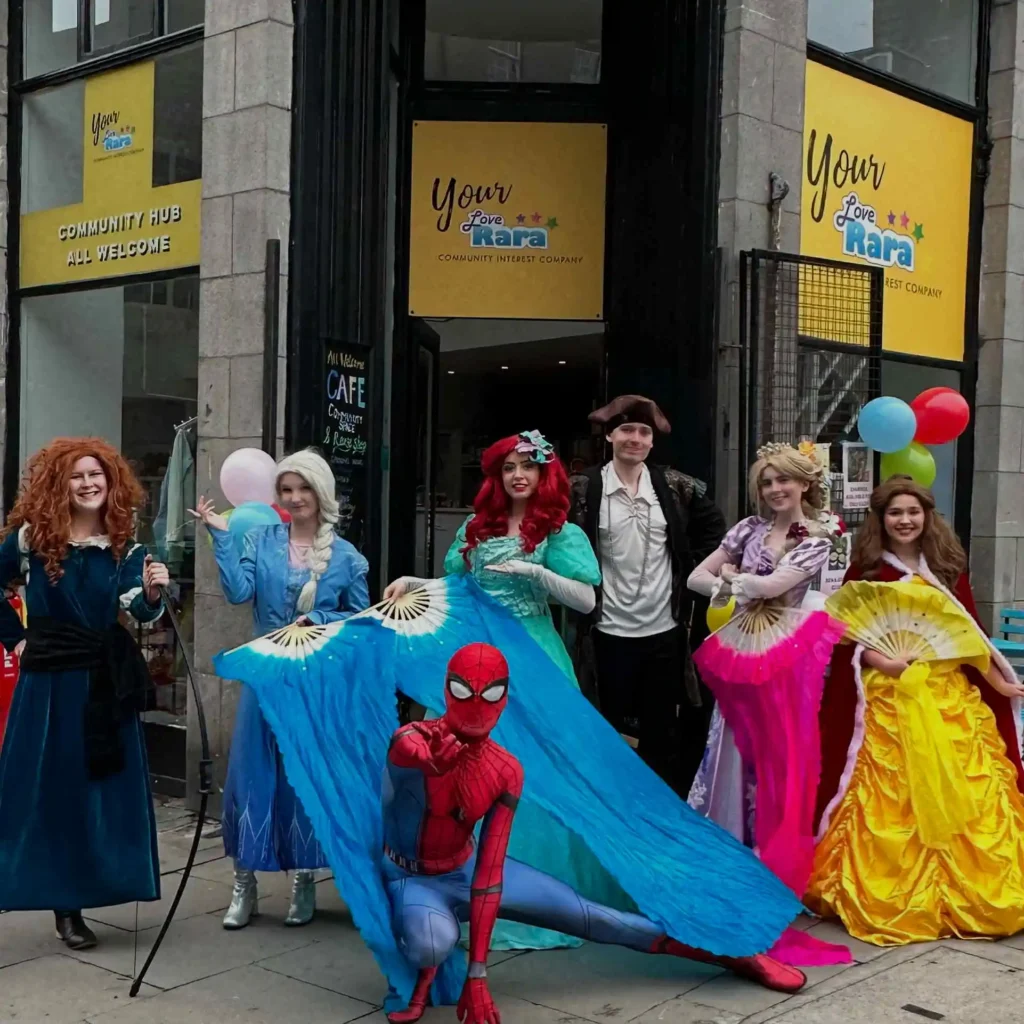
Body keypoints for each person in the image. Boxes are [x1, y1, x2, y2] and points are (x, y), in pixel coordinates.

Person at [381, 644, 805, 1023]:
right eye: (463, 691)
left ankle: (733, 954)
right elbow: (408, 756)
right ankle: (421, 968)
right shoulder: (412, 740)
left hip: (466, 865)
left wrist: (478, 973)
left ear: (505, 698)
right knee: (431, 944)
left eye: (489, 693)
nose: (476, 706)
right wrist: (429, 766)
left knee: (597, 917)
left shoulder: (503, 769)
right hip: (411, 876)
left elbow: (489, 877)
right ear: (446, 689)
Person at [383, 429, 628, 951]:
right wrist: (414, 583)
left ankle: (542, 897)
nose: (518, 475)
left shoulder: (558, 531)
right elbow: (459, 588)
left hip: (534, 658)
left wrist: (535, 574)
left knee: (537, 771)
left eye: (528, 466)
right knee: (458, 766)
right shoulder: (476, 527)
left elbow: (585, 601)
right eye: (508, 467)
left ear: (544, 475)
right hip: (474, 662)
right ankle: (456, 887)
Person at [809, 477, 1024, 945]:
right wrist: (881, 659)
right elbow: (844, 637)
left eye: (913, 512)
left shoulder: (947, 568)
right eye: (894, 513)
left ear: (927, 516)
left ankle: (966, 887)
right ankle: (894, 886)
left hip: (947, 696)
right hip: (885, 701)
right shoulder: (865, 571)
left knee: (965, 788)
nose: (904, 520)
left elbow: (970, 638)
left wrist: (1000, 681)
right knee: (889, 793)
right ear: (880, 520)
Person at [0, 438, 170, 949]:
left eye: (96, 474)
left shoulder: (126, 546)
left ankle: (103, 882)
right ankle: (64, 905)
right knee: (54, 792)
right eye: (77, 475)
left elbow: (138, 610)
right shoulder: (32, 539)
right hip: (49, 685)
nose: (89, 483)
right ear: (60, 484)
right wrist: (17, 639)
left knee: (101, 789)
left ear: (111, 481)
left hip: (103, 682)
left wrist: (155, 593)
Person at [190, 447, 370, 929]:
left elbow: (362, 621)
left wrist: (323, 617)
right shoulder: (264, 540)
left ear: (321, 491)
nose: (293, 498)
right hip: (266, 673)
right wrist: (222, 539)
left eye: (302, 488)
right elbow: (237, 594)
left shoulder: (347, 558)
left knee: (305, 777)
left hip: (314, 681)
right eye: (286, 490)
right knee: (251, 773)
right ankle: (243, 886)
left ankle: (303, 881)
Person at [569, 395, 726, 794]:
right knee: (607, 726)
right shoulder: (583, 489)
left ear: (652, 441)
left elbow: (715, 532)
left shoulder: (675, 487)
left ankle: (658, 812)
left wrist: (693, 576)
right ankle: (610, 805)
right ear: (610, 436)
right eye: (626, 430)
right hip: (607, 630)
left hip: (664, 630)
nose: (635, 439)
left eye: (643, 432)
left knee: (662, 732)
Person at [686, 443, 835, 848]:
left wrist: (734, 580)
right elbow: (695, 578)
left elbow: (772, 586)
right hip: (740, 645)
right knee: (730, 735)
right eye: (766, 482)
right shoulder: (748, 528)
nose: (774, 489)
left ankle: (768, 839)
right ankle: (728, 833)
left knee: (774, 742)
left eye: (783, 479)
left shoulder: (818, 538)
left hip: (784, 648)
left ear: (804, 484)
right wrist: (729, 582)